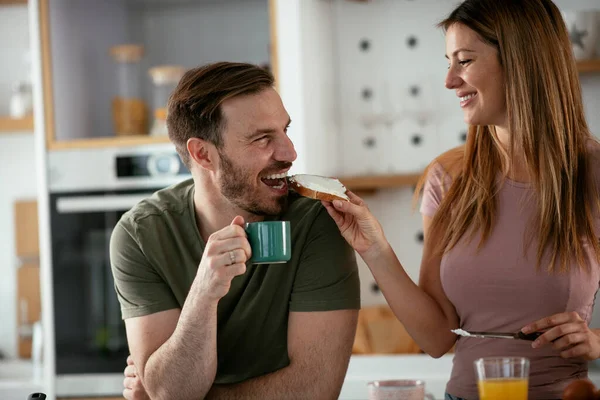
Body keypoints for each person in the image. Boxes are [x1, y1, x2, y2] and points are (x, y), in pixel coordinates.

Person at [322, 0, 600, 399]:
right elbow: (436, 337)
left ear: (522, 61)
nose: (450, 80)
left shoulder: (591, 175)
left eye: (465, 61)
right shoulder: (449, 178)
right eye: (448, 62)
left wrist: (596, 340)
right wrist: (375, 247)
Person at [109, 61, 361, 400]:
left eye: (285, 130)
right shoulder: (140, 236)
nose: (290, 153)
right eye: (262, 139)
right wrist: (204, 294)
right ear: (203, 154)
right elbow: (171, 390)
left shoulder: (318, 221)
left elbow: (314, 390)